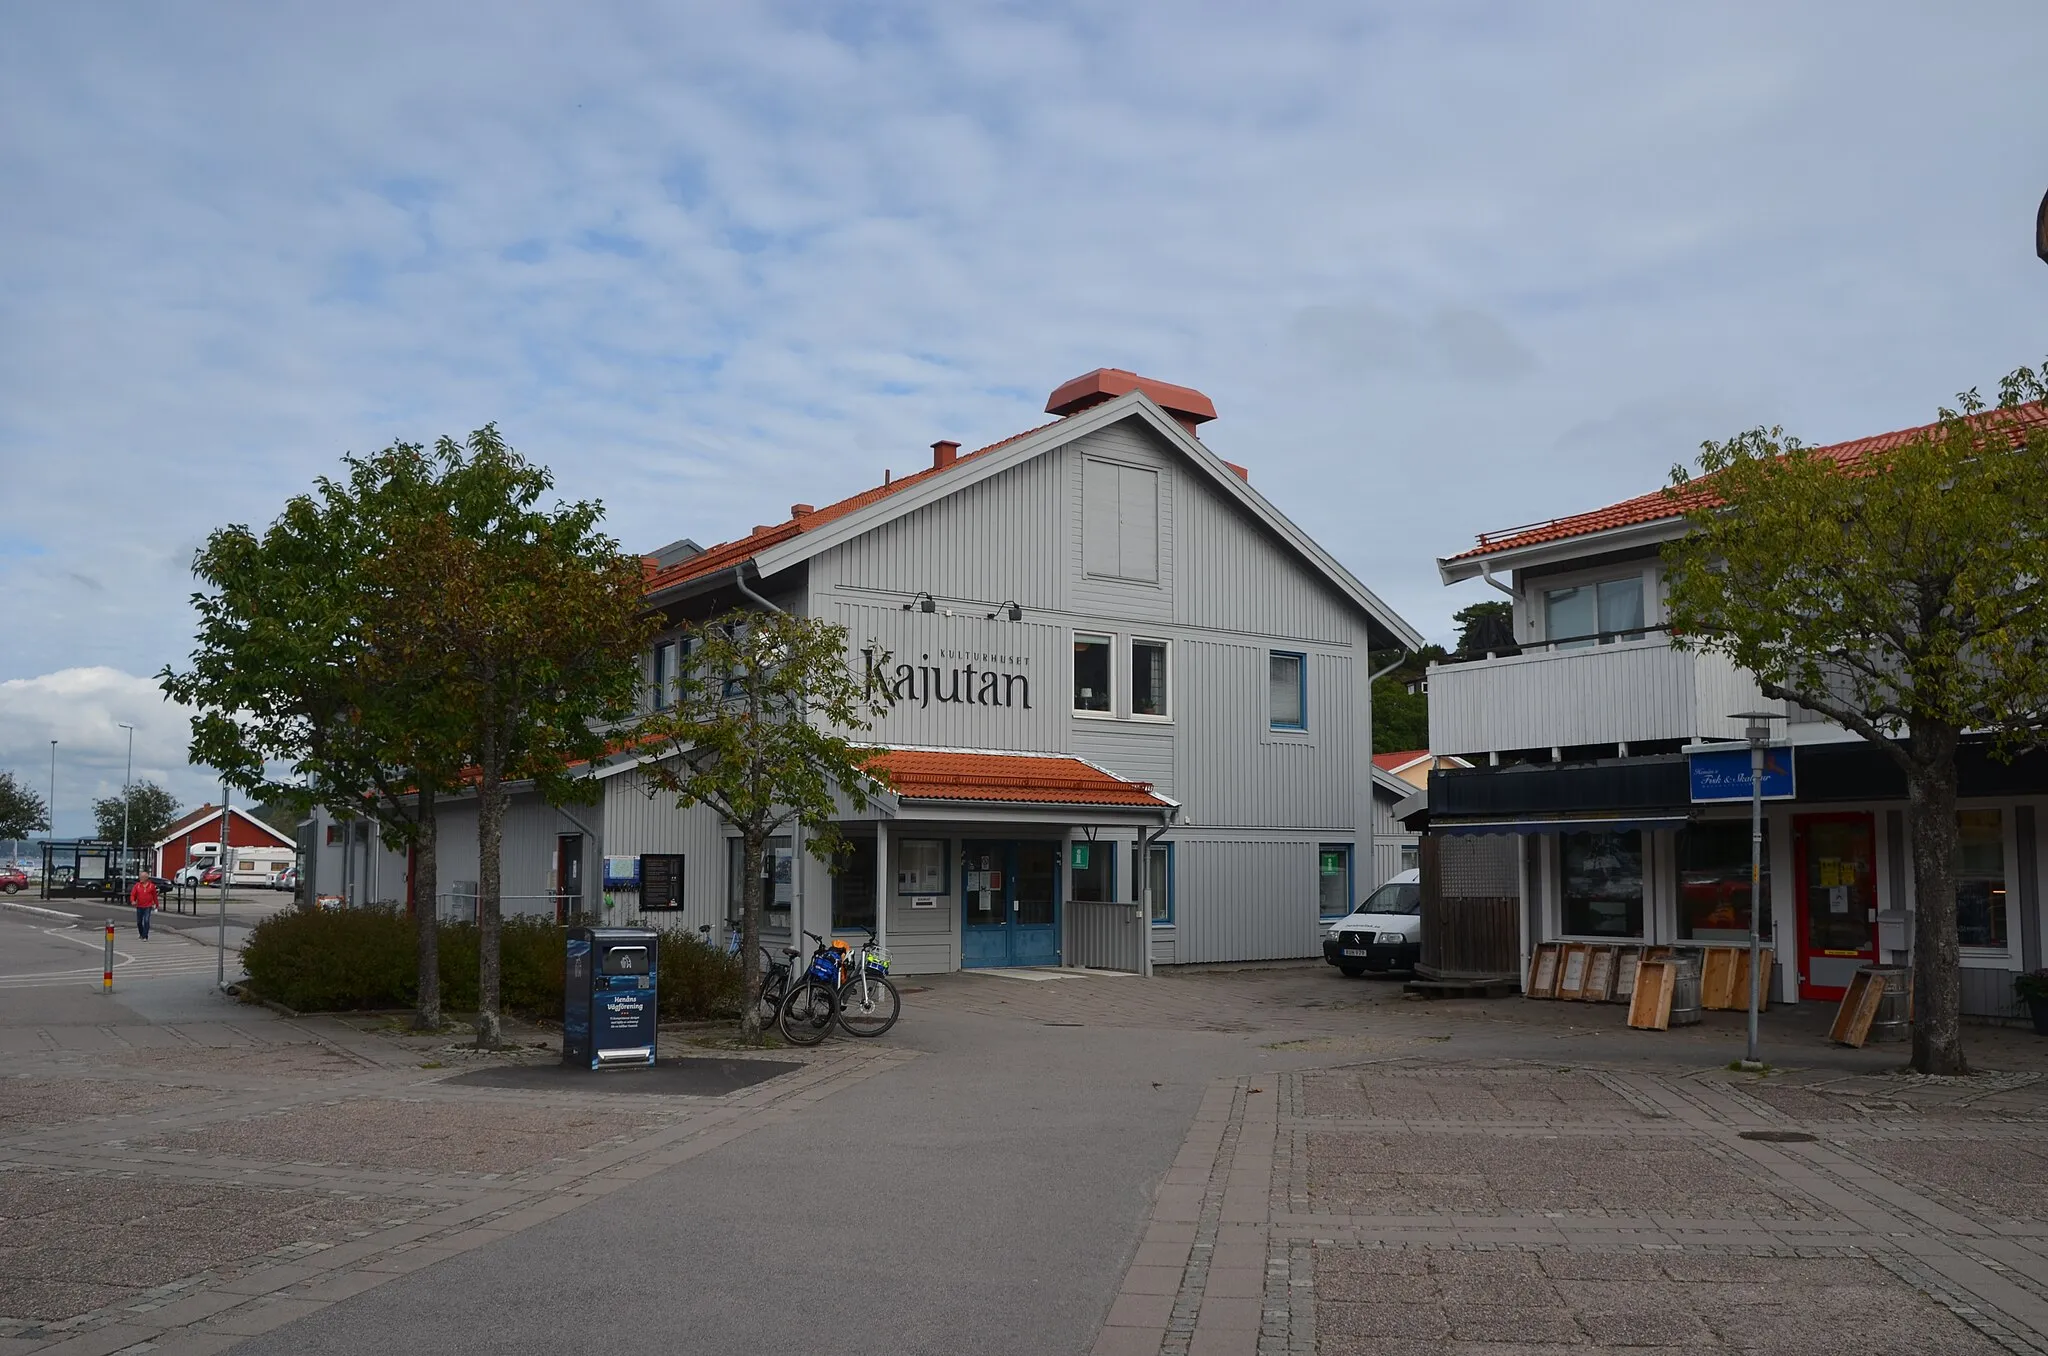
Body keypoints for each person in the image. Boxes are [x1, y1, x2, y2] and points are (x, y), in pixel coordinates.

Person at [128, 874, 159, 940]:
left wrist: (156, 905)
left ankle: (145, 935)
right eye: (140, 877)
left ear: (146, 878)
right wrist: (133, 901)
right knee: (139, 922)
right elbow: (133, 894)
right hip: (139, 906)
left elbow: (154, 896)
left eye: (142, 877)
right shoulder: (137, 885)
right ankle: (141, 934)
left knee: (146, 920)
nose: (140, 878)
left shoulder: (151, 886)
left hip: (148, 906)